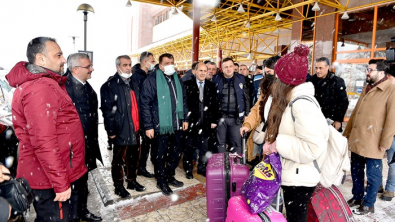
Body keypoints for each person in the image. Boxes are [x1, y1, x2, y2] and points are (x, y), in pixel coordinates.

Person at [6, 37, 88, 221]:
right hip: (49, 181)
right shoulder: (40, 88)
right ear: (41, 59)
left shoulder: (44, 84)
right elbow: (44, 141)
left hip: (50, 175)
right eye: (58, 55)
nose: (64, 60)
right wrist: (60, 183)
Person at [258, 44, 329, 222]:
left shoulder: (301, 104)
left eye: (278, 78)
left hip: (301, 179)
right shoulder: (293, 100)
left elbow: (312, 147)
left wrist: (277, 145)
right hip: (295, 173)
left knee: (297, 218)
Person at [343, 59, 395, 215]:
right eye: (367, 69)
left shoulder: (391, 90)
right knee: (356, 171)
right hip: (359, 138)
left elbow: (392, 119)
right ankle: (357, 197)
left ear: (381, 72)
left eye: (370, 69)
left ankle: (368, 203)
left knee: (373, 176)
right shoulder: (367, 87)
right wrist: (348, 132)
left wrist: (385, 142)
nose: (367, 72)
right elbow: (356, 111)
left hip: (374, 141)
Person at [141, 53, 189, 195]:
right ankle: (161, 180)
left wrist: (185, 118)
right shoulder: (152, 80)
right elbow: (145, 104)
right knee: (160, 155)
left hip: (177, 124)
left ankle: (169, 175)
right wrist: (149, 126)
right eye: (167, 63)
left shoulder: (177, 79)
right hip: (160, 124)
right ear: (160, 66)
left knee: (176, 152)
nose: (171, 65)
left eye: (172, 62)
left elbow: (183, 100)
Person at [100, 55, 146, 198]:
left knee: (134, 158)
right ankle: (118, 186)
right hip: (121, 129)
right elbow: (108, 111)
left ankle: (131, 180)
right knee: (119, 160)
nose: (128, 67)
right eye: (125, 65)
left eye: (129, 64)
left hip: (136, 128)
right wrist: (111, 131)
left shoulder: (134, 83)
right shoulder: (109, 86)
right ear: (117, 67)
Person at [64, 53, 102, 221]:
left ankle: (82, 212)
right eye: (88, 67)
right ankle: (72, 216)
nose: (92, 69)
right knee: (71, 186)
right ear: (75, 69)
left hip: (85, 145)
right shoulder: (63, 88)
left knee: (82, 183)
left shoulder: (86, 86)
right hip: (70, 149)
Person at [241, 56, 280, 163]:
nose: (267, 75)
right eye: (265, 72)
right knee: (262, 161)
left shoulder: (287, 91)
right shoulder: (266, 88)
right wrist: (248, 124)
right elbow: (257, 108)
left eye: (269, 72)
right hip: (265, 132)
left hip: (279, 138)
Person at [183, 62, 219, 178]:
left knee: (204, 148)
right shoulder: (187, 84)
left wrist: (214, 120)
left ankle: (201, 168)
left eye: (205, 70)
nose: (203, 73)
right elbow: (184, 104)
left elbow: (214, 105)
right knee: (189, 148)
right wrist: (185, 119)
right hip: (191, 123)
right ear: (195, 71)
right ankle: (188, 169)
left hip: (206, 122)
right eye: (201, 70)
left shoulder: (211, 86)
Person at [213, 57, 250, 154]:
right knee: (220, 144)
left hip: (236, 119)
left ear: (234, 67)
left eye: (230, 66)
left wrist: (247, 113)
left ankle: (236, 166)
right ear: (222, 68)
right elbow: (212, 99)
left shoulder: (241, 79)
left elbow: (246, 97)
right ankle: (221, 166)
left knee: (236, 144)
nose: (228, 69)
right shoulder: (216, 79)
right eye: (226, 67)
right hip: (221, 118)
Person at [132, 51, 156, 178]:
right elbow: (138, 99)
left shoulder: (150, 75)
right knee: (137, 145)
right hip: (140, 116)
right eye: (152, 61)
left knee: (146, 144)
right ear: (144, 62)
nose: (154, 64)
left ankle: (142, 167)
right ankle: (134, 169)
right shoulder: (136, 76)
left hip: (149, 116)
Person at [311, 57, 349, 132]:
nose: (318, 70)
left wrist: (338, 120)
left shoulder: (337, 81)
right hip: (314, 119)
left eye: (320, 68)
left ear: (327, 67)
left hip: (331, 121)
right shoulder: (311, 80)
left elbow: (343, 102)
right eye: (316, 68)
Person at [380, 63, 395, 201]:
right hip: (381, 129)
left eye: (388, 76)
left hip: (393, 132)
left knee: (392, 162)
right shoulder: (386, 89)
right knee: (376, 158)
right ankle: (377, 184)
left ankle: (390, 189)